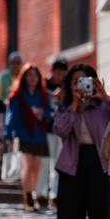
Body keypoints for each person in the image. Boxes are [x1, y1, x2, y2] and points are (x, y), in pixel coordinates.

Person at [52, 64, 110, 219]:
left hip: (99, 164)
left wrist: (105, 96)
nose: (80, 87)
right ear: (69, 87)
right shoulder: (65, 107)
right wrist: (74, 106)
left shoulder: (104, 106)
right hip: (71, 165)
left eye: (85, 81)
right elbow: (60, 130)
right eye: (75, 83)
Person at [4, 62, 52, 210]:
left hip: (39, 134)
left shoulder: (43, 95)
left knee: (36, 167)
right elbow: (11, 115)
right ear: (24, 77)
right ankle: (28, 198)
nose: (32, 78)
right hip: (24, 133)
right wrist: (8, 134)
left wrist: (41, 113)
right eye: (29, 75)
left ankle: (33, 194)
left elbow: (49, 112)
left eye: (35, 75)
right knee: (27, 165)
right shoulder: (17, 94)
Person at [38, 56, 70, 209]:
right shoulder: (42, 85)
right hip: (44, 128)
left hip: (60, 130)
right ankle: (41, 194)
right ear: (52, 71)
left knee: (58, 163)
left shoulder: (67, 88)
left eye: (63, 74)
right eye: (57, 73)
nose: (60, 77)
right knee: (44, 162)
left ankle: (55, 195)